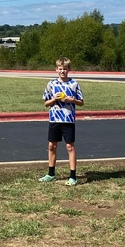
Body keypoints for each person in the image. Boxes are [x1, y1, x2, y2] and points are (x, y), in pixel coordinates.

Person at [38, 57, 84, 186]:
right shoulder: (51, 84)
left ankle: (73, 176)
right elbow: (46, 103)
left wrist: (71, 100)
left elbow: (81, 102)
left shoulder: (74, 84)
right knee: (52, 145)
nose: (62, 71)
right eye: (60, 69)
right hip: (54, 118)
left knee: (70, 146)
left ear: (69, 70)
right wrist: (54, 99)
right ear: (56, 70)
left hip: (68, 119)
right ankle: (51, 173)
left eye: (65, 69)